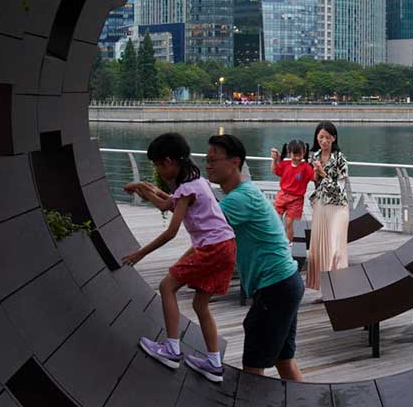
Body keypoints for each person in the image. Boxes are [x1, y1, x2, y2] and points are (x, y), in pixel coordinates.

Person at [123, 132, 235, 383]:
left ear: (169, 161)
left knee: (166, 287)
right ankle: (214, 363)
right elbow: (169, 203)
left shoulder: (186, 189)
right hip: (227, 247)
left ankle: (172, 349)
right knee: (200, 305)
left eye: (156, 165)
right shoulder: (199, 182)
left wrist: (140, 254)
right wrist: (145, 188)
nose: (157, 170)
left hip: (212, 249)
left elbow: (171, 229)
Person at [206, 134, 306, 381]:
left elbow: (203, 228)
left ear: (234, 162)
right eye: (206, 160)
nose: (208, 165)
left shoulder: (238, 200)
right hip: (286, 283)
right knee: (284, 360)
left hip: (275, 287)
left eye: (213, 160)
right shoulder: (246, 192)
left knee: (253, 369)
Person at [305, 119, 350, 290]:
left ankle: (340, 288)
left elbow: (339, 188)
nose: (323, 141)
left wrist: (323, 174)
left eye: (327, 137)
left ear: (333, 138)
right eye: (320, 137)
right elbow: (314, 183)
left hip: (338, 206)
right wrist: (316, 175)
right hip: (320, 206)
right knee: (320, 250)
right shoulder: (314, 157)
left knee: (337, 250)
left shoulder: (340, 159)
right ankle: (325, 290)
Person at [269, 138, 314, 243]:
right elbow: (274, 170)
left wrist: (317, 167)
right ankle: (276, 241)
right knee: (276, 218)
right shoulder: (285, 164)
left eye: (300, 154)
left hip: (296, 199)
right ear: (289, 153)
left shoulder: (306, 167)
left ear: (304, 153)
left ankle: (288, 243)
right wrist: (274, 159)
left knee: (289, 223)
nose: (298, 157)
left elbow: (314, 177)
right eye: (295, 154)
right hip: (283, 195)